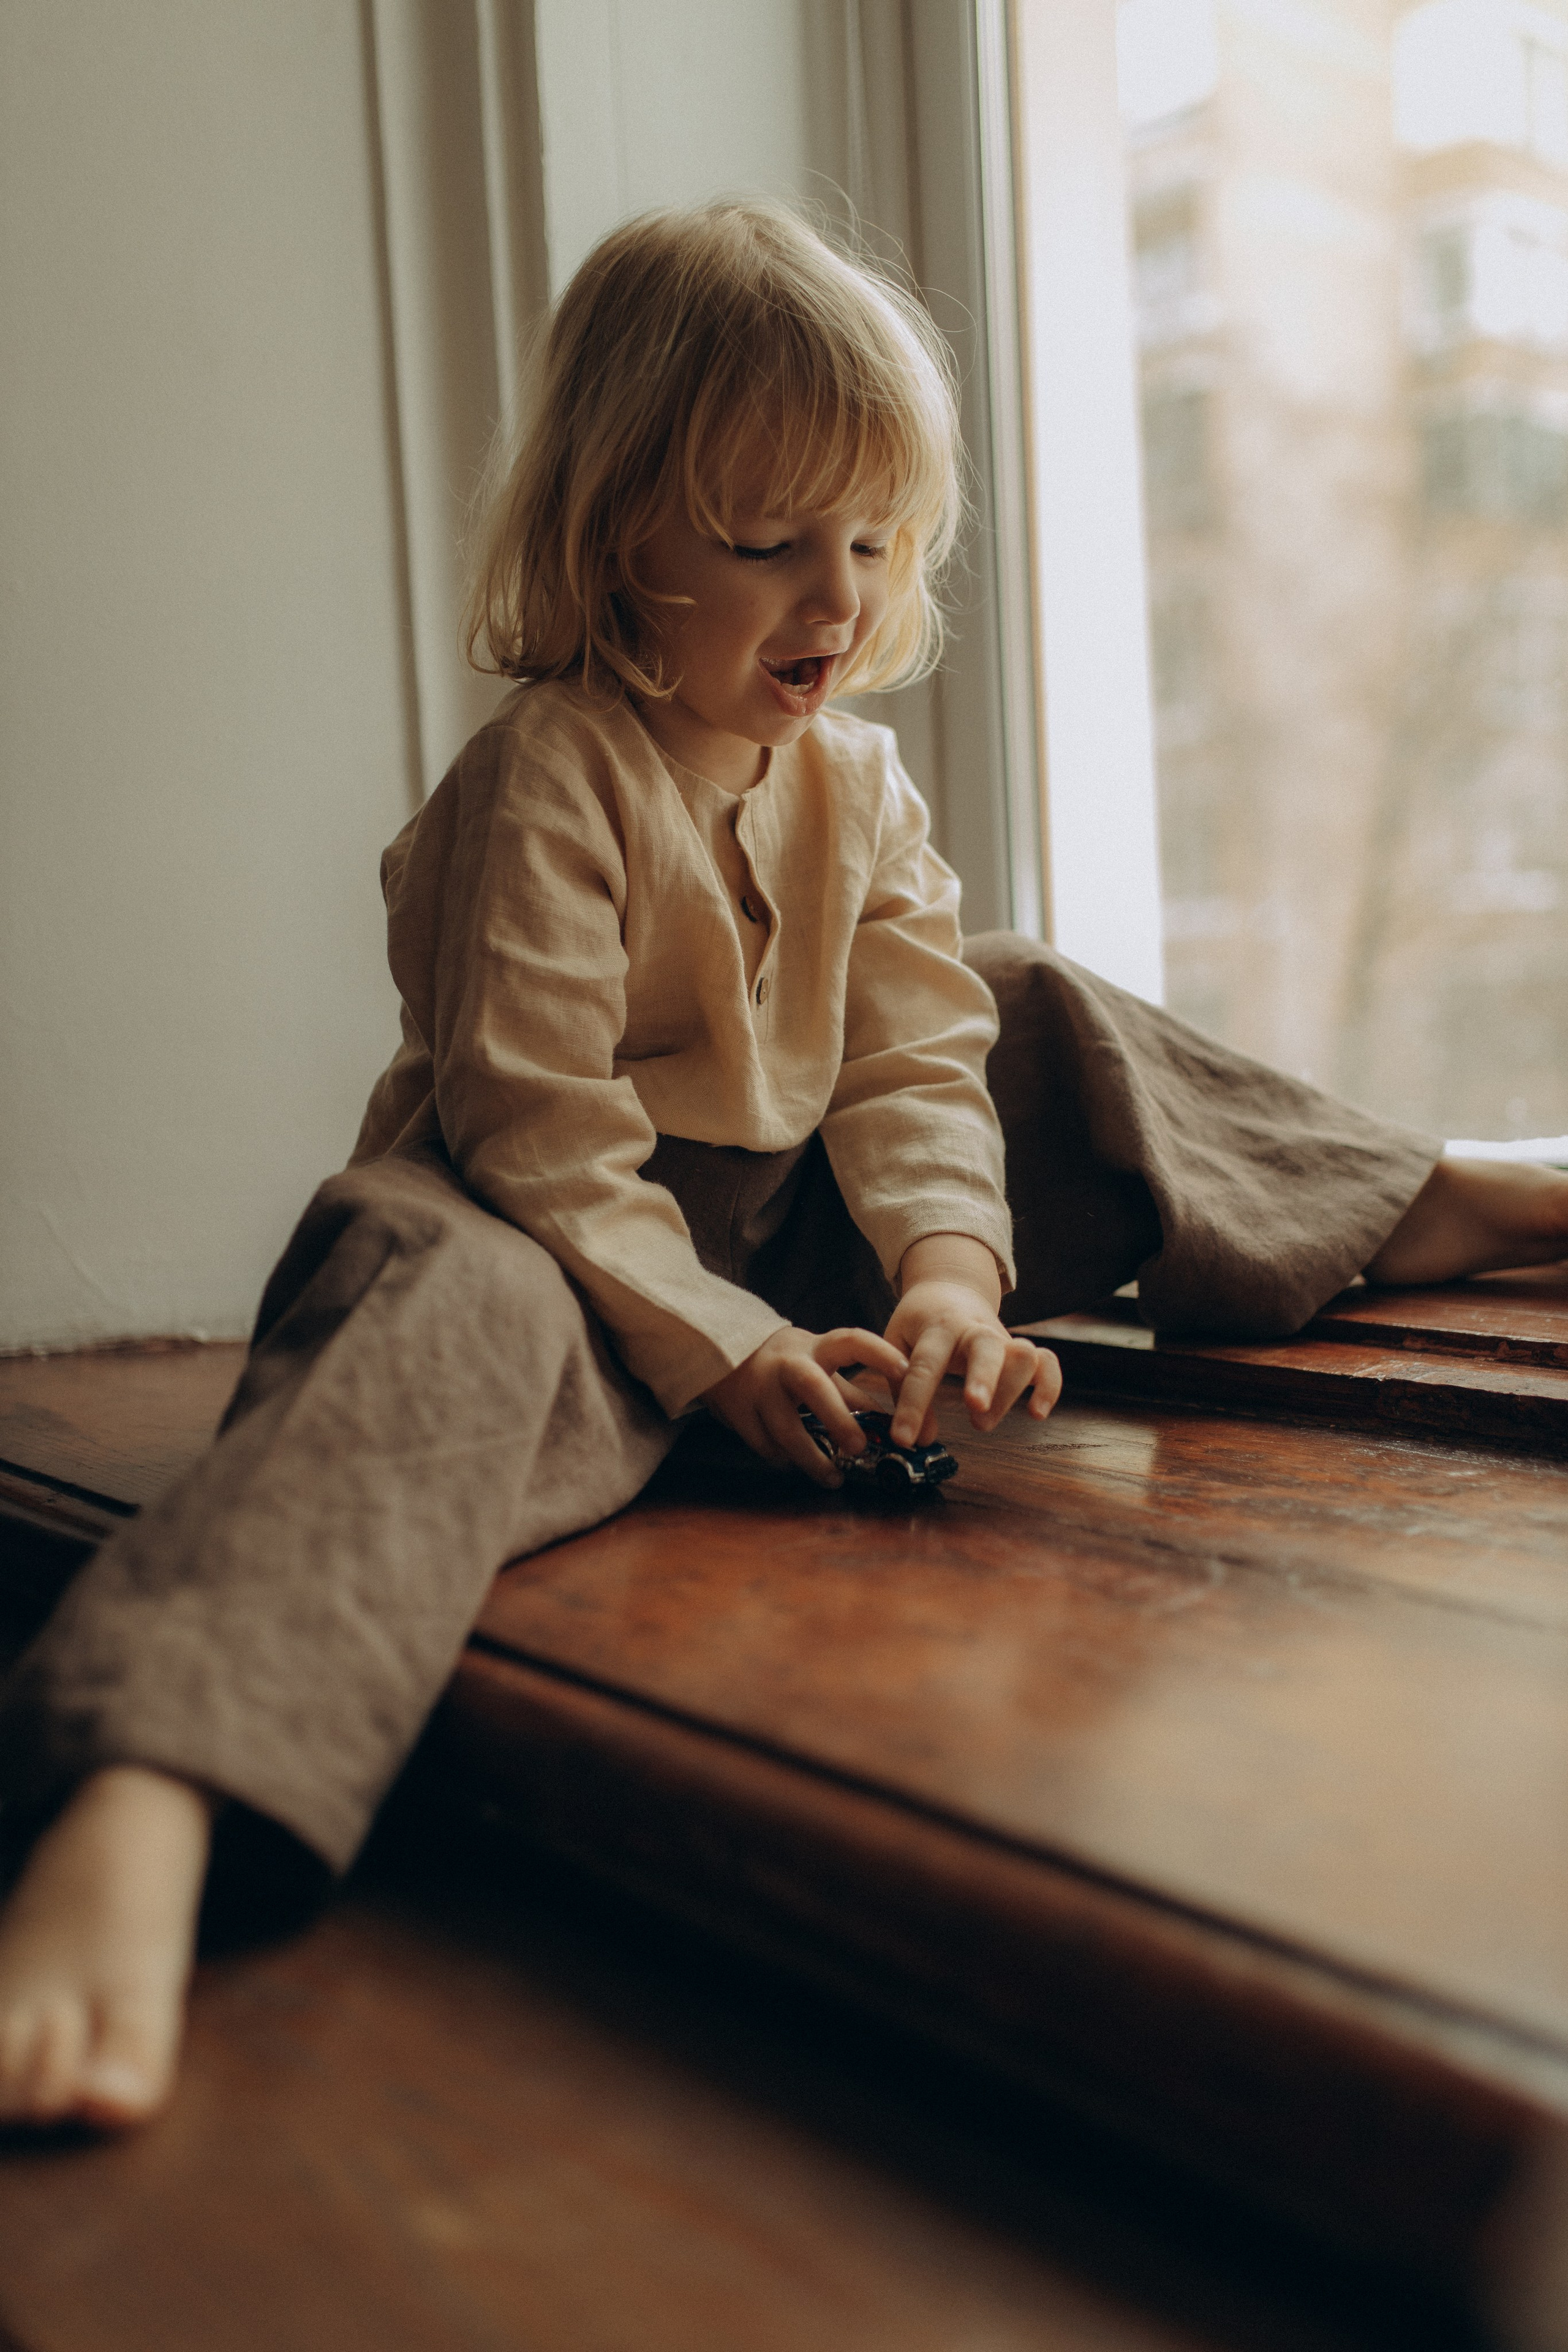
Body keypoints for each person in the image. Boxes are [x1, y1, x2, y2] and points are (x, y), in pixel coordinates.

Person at [0, 200, 1563, 2135]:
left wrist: (945, 1280)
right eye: (765, 545)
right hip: (554, 1244)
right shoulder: (548, 777)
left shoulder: (860, 783)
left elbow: (915, 1059)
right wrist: (720, 1348)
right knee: (423, 1292)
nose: (832, 599)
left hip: (797, 1232)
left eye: (871, 542)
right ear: (616, 540)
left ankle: (1452, 1194)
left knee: (1034, 1004)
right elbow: (539, 1127)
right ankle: (152, 1790)